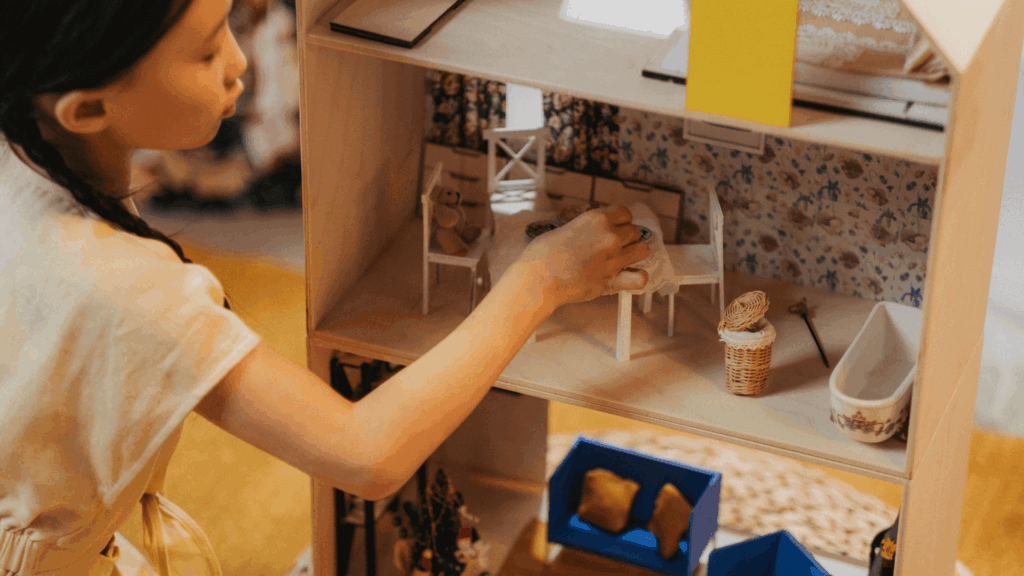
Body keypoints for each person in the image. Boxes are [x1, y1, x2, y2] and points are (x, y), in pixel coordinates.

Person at [0, 0, 650, 574]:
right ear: (86, 108)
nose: (239, 64)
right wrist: (538, 282)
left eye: (230, 23)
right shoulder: (128, 289)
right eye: (204, 53)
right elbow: (367, 454)